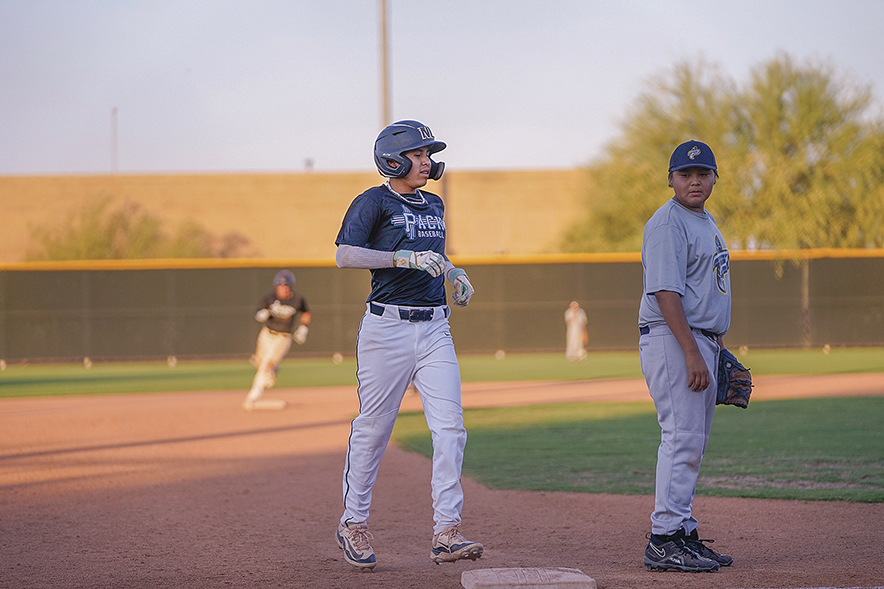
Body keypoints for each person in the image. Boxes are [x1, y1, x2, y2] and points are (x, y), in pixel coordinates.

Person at [333, 120, 482, 570]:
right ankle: (353, 523)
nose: (426, 161)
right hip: (387, 329)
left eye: (427, 154)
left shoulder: (434, 203)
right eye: (418, 154)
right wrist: (402, 257)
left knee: (451, 429)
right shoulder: (373, 201)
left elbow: (435, 254)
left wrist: (454, 272)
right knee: (374, 429)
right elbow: (345, 254)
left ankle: (446, 532)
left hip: (436, 327)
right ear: (392, 159)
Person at [638, 140, 734, 573]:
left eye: (703, 174)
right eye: (685, 174)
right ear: (670, 179)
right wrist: (693, 352)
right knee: (681, 438)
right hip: (674, 339)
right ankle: (663, 539)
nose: (695, 181)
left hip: (698, 339)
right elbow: (666, 291)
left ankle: (683, 532)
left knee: (691, 442)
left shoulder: (704, 220)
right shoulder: (667, 222)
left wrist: (714, 348)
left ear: (714, 178)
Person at [242, 270, 311, 411]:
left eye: (286, 286)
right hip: (267, 334)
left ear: (290, 287)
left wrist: (303, 328)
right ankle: (274, 369)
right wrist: (262, 314)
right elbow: (258, 312)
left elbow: (306, 312)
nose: (283, 289)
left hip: (283, 337)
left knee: (266, 365)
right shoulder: (269, 297)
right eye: (280, 286)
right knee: (259, 362)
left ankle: (253, 394)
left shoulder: (297, 299)